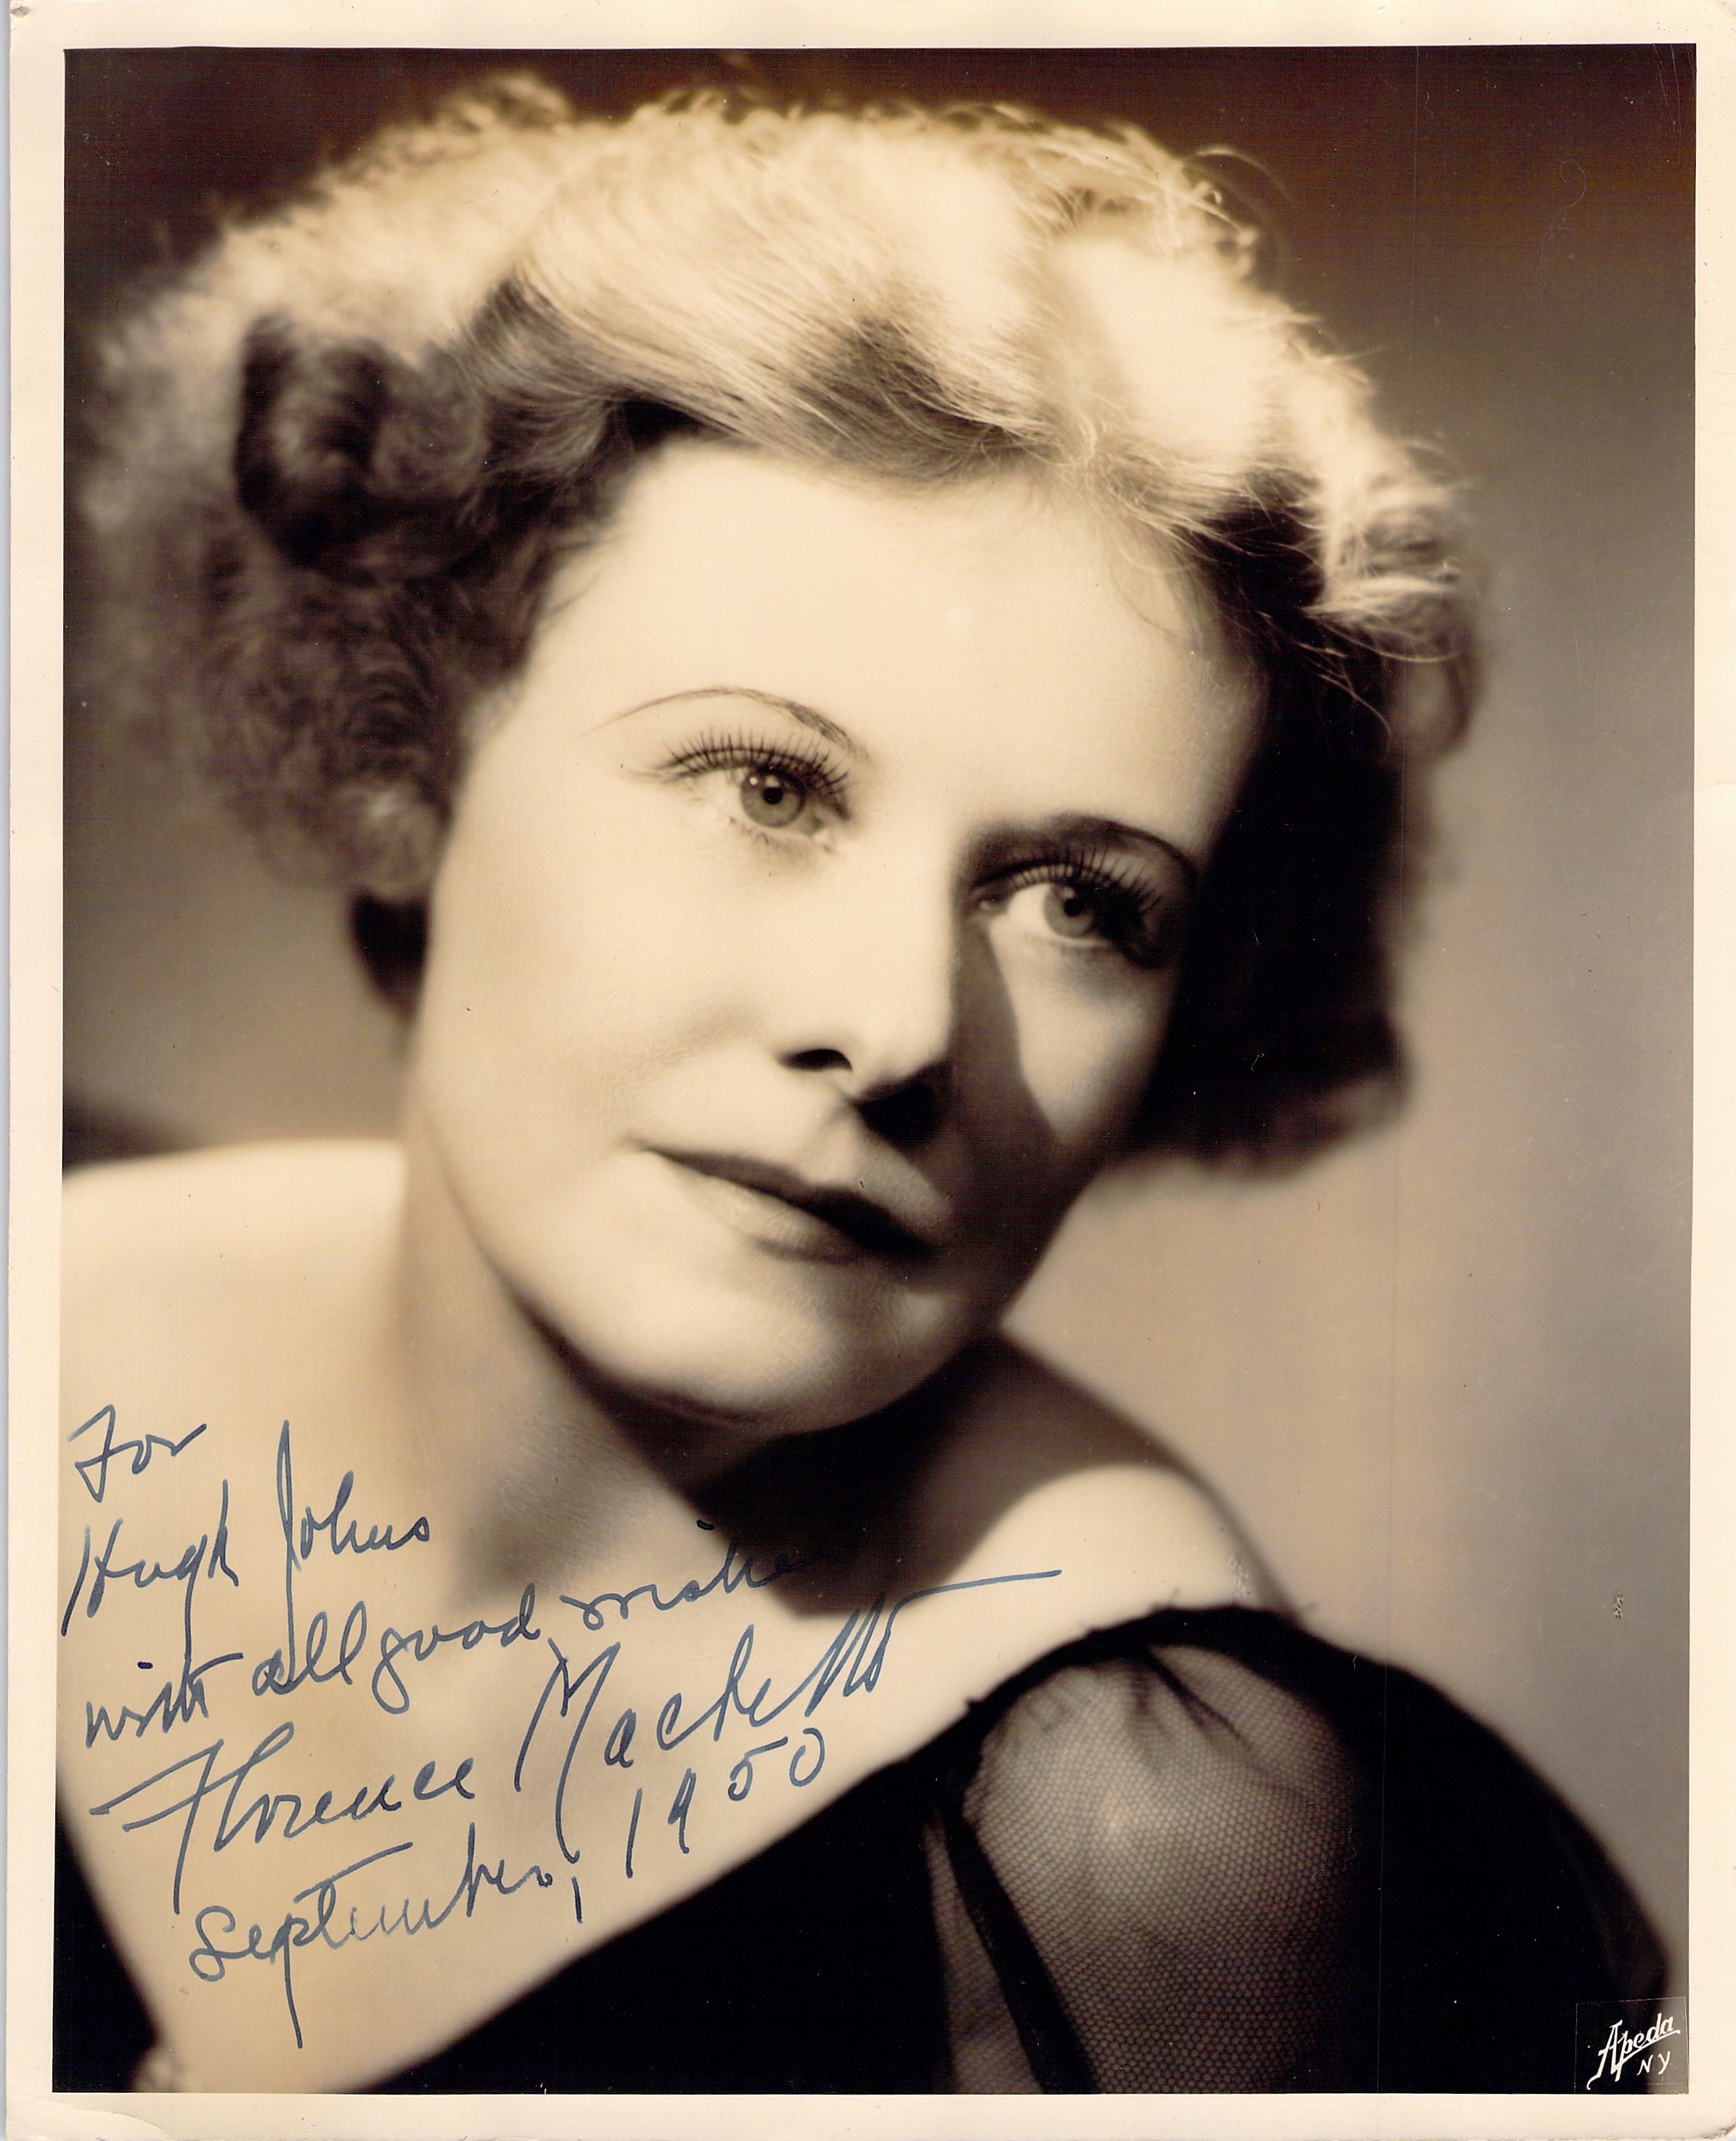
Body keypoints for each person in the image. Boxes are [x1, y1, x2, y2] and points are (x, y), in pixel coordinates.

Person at [57, 78, 1663, 2096]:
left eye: (1083, 902)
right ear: (405, 751)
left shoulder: (1148, 1859)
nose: (898, 1027)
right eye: (766, 784)